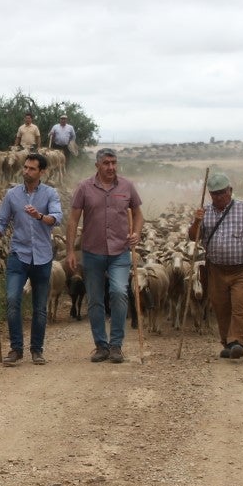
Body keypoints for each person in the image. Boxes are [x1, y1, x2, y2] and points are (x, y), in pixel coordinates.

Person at [65, 148, 143, 364]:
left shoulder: (127, 186)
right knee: (95, 300)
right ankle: (101, 345)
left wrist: (136, 232)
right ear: (97, 165)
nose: (111, 167)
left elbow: (138, 214)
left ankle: (116, 345)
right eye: (107, 163)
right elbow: (72, 220)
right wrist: (71, 251)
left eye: (114, 163)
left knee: (119, 292)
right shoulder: (84, 187)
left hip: (120, 251)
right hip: (92, 252)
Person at [0, 153, 62, 365]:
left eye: (31, 169)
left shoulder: (50, 194)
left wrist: (39, 216)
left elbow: (56, 218)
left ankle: (37, 350)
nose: (26, 171)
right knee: (12, 300)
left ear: (42, 172)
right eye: (25, 167)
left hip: (42, 257)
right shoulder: (12, 195)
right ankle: (16, 349)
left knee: (39, 307)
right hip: (18, 255)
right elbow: (1, 221)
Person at [187, 172, 243, 359]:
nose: (219, 196)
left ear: (230, 191)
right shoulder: (204, 212)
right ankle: (227, 341)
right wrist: (197, 221)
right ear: (210, 195)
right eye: (214, 193)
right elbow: (193, 237)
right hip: (216, 269)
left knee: (239, 302)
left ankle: (237, 341)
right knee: (221, 305)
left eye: (222, 192)